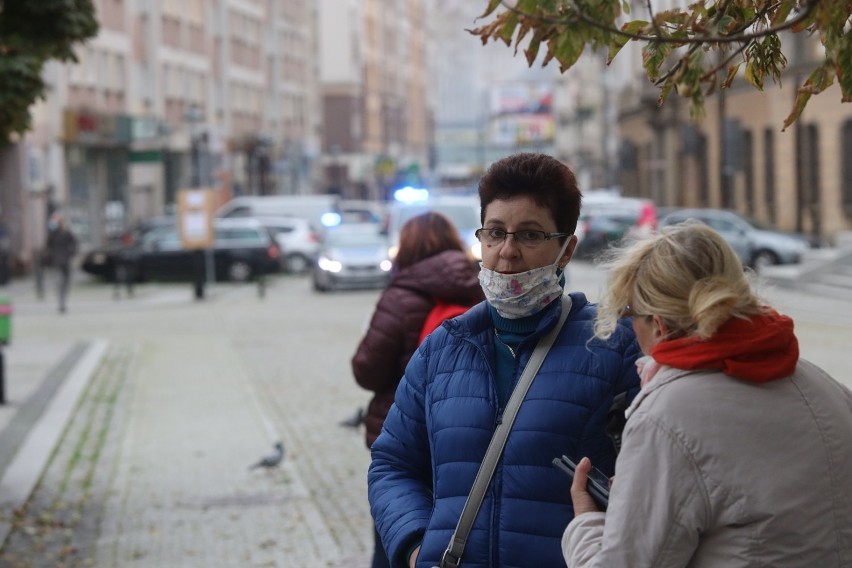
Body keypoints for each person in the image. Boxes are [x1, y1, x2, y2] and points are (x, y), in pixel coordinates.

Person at [368, 153, 641, 568]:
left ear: (566, 250)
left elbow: (654, 474)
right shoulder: (442, 350)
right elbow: (393, 464)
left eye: (529, 235)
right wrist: (414, 546)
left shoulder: (613, 346)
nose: (507, 252)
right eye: (495, 233)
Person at [563, 221, 852, 567]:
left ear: (659, 324)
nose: (629, 326)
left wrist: (587, 522)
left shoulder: (665, 416)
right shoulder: (826, 387)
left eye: (629, 313)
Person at [352, 212, 484, 568]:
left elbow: (366, 370)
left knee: (396, 529)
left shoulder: (399, 297)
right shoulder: (483, 287)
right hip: (467, 433)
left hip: (405, 435)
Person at [45, 213, 78, 313]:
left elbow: (74, 244)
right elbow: (48, 247)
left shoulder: (67, 233)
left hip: (65, 262)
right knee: (59, 283)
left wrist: (70, 254)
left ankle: (63, 302)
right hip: (57, 262)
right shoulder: (52, 234)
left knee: (65, 283)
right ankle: (61, 303)